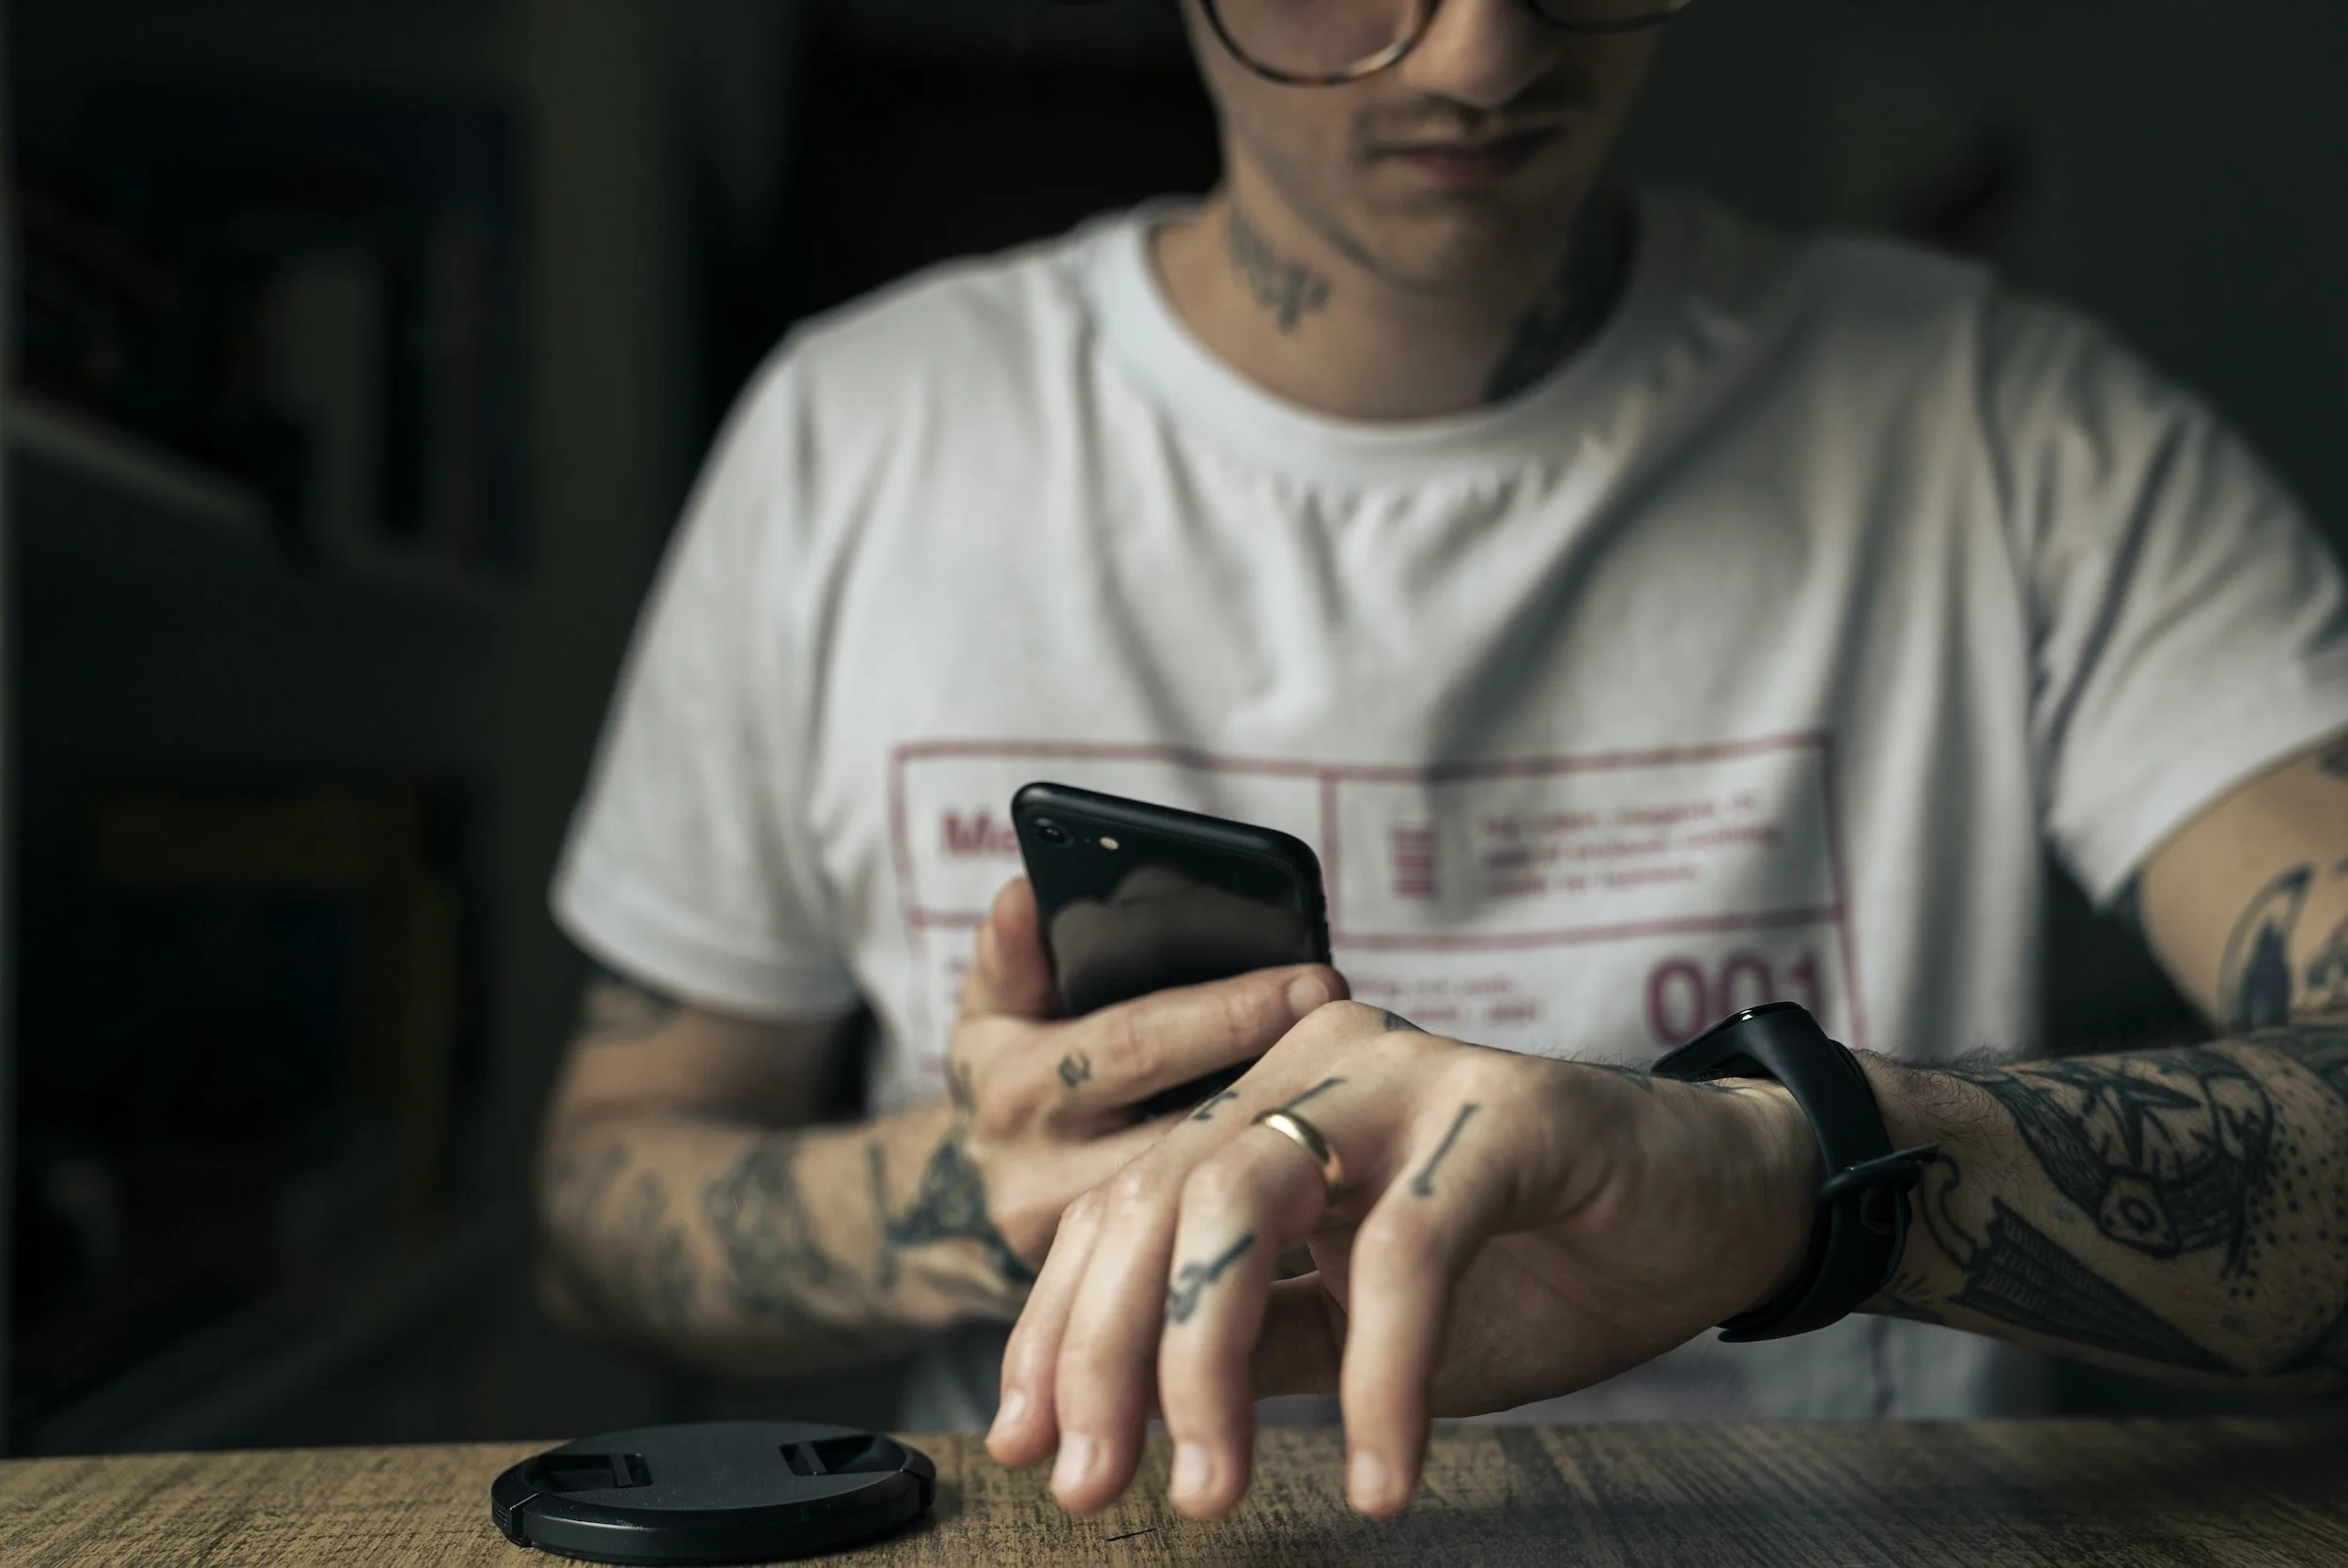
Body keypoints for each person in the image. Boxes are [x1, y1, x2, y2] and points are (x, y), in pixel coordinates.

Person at [535, 0, 2348, 1512]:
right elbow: (603, 1198)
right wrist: (969, 1190)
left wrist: (1786, 1178)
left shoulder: (2015, 437)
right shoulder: (856, 439)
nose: (1480, 53)